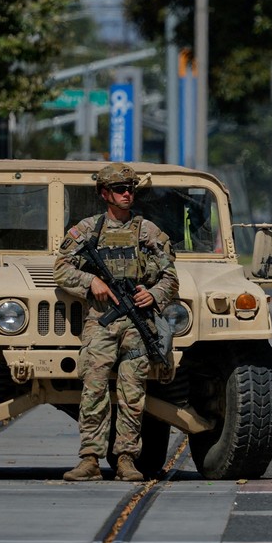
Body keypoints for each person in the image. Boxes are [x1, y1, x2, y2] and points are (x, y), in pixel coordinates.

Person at [54, 163, 178, 482]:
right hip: (101, 320)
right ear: (104, 193)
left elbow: (170, 277)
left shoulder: (147, 232)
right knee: (94, 388)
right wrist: (90, 282)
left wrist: (154, 294)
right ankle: (90, 459)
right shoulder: (87, 230)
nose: (127, 194)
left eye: (130, 189)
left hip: (137, 323)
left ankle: (126, 458)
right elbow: (61, 268)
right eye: (120, 189)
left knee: (132, 392)